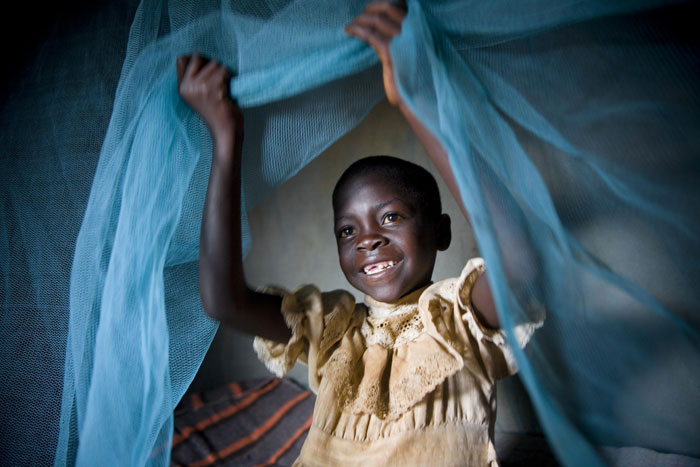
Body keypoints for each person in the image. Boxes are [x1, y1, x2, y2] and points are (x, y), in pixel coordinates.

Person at [177, 2, 539, 465]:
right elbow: (223, 300)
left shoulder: (458, 323)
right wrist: (225, 139)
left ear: (441, 231)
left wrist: (419, 102)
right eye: (347, 230)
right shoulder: (334, 332)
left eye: (390, 218)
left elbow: (519, 265)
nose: (366, 239)